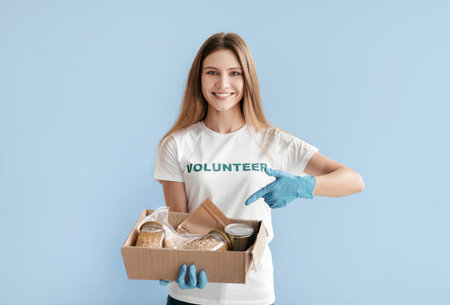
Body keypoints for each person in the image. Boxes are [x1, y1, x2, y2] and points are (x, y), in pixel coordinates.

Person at [154, 32, 364, 305]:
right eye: (212, 72)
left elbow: (353, 180)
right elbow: (180, 226)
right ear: (199, 78)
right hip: (192, 294)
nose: (223, 83)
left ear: (247, 79)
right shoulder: (176, 145)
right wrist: (171, 265)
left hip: (252, 293)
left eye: (235, 73)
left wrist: (303, 185)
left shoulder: (273, 141)